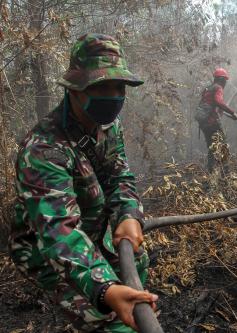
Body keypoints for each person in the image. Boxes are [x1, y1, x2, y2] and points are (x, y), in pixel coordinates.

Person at [9, 33, 157, 332]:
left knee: (136, 262)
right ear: (74, 89)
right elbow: (59, 232)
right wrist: (105, 290)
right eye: (100, 86)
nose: (112, 95)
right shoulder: (43, 149)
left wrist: (129, 214)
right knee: (113, 319)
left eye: (119, 87)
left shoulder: (109, 126)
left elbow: (119, 174)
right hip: (45, 248)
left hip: (93, 226)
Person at [195, 68, 237, 173]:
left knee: (211, 147)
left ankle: (211, 173)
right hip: (212, 123)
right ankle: (226, 172)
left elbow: (209, 104)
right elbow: (218, 101)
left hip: (204, 124)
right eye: (225, 80)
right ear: (222, 79)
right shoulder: (218, 88)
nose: (225, 83)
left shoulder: (208, 89)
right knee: (223, 145)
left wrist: (220, 111)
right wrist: (232, 112)